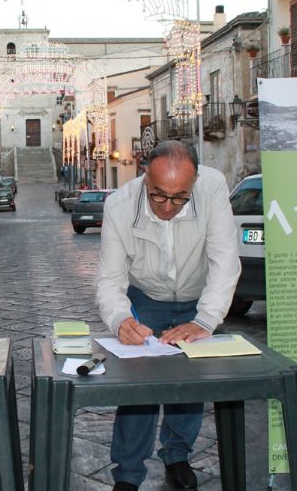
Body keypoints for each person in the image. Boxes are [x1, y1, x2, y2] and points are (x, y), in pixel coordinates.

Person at [96, 141, 241, 491]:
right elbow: (110, 279)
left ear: (194, 184)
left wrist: (205, 320)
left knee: (188, 386)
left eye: (180, 198)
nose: (168, 207)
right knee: (138, 388)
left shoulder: (213, 188)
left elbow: (225, 260)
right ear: (145, 176)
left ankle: (177, 456)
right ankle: (128, 475)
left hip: (197, 298)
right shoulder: (119, 205)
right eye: (159, 196)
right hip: (145, 297)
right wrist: (120, 320)